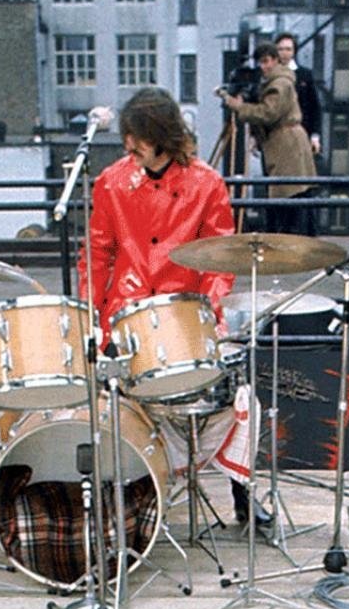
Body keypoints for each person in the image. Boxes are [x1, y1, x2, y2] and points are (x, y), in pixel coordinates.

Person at [78, 86, 269, 527]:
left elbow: (220, 258)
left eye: (137, 137)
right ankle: (136, 494)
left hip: (188, 315)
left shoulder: (206, 183)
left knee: (239, 399)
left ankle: (242, 490)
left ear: (161, 135)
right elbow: (96, 254)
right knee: (120, 409)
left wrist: (209, 311)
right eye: (127, 137)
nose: (129, 146)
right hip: (127, 314)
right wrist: (93, 316)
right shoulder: (111, 182)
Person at [224, 42, 318, 236]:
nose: (263, 66)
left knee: (288, 195)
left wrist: (239, 107)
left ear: (275, 60)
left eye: (267, 61)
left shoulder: (280, 84)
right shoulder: (275, 82)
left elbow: (268, 113)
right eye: (261, 62)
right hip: (283, 143)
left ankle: (290, 239)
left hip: (287, 145)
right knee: (287, 195)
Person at [274, 32, 322, 156]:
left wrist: (315, 135)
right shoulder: (269, 75)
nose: (284, 53)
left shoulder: (304, 75)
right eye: (280, 49)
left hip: (301, 133)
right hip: (274, 135)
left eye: (288, 49)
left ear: (294, 51)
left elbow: (314, 107)